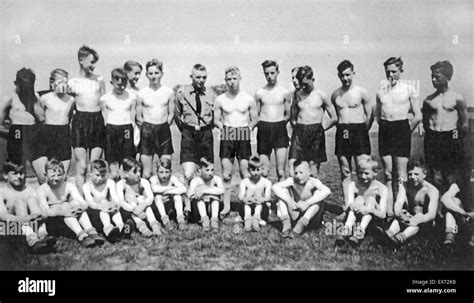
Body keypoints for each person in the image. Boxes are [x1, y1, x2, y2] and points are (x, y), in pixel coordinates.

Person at [376, 57, 422, 217]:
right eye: (388, 72)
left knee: (401, 175)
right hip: (385, 131)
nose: (391, 75)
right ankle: (389, 211)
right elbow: (378, 116)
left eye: (394, 71)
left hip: (401, 129)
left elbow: (417, 116)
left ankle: (402, 209)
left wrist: (405, 133)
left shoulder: (409, 89)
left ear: (401, 71)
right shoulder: (380, 91)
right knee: (388, 174)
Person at [422, 61, 470, 207]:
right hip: (433, 139)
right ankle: (438, 213)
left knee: (451, 176)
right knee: (436, 177)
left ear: (447, 77)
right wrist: (432, 137)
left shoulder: (457, 98)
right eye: (432, 76)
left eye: (437, 76)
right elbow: (425, 123)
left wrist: (454, 140)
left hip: (451, 138)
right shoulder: (428, 100)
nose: (433, 80)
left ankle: (455, 210)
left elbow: (464, 124)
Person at [214, 66, 258, 219]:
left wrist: (246, 130)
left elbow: (255, 119)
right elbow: (216, 120)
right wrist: (225, 129)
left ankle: (247, 205)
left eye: (234, 78)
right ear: (225, 80)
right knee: (226, 174)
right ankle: (226, 207)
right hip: (227, 135)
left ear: (240, 78)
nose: (232, 82)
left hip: (243, 134)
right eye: (229, 79)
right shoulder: (220, 99)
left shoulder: (248, 98)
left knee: (245, 173)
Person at [174, 64, 216, 218]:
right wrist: (187, 130)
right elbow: (177, 116)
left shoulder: (211, 93)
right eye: (198, 77)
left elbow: (214, 116)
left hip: (205, 134)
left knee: (206, 171)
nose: (201, 80)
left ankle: (205, 207)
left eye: (204, 77)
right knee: (188, 172)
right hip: (189, 134)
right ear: (191, 77)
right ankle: (187, 208)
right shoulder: (182, 93)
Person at [36, 159, 105, 247]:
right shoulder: (42, 189)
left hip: (68, 215)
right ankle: (81, 235)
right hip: (52, 220)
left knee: (75, 203)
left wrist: (78, 207)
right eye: (53, 175)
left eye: (59, 175)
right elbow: (45, 212)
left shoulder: (68, 186)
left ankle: (91, 231)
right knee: (66, 206)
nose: (56, 178)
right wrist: (62, 211)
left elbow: (84, 203)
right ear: (46, 175)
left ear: (64, 174)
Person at [68, 45, 106, 191]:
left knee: (95, 164)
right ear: (81, 60)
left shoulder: (99, 79)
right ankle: (82, 199)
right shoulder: (72, 83)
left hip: (97, 120)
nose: (93, 66)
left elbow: (104, 103)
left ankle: (95, 198)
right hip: (80, 122)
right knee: (81, 165)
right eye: (91, 62)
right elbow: (68, 107)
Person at [331, 60, 372, 192]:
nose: (345, 78)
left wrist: (362, 131)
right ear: (338, 75)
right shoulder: (335, 95)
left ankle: (365, 202)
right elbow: (335, 116)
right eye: (342, 75)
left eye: (348, 75)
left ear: (353, 73)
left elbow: (369, 116)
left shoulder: (362, 92)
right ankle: (347, 205)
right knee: (345, 171)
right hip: (343, 131)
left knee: (363, 169)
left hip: (359, 131)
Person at [289, 65, 337, 177]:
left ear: (313, 80)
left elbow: (334, 117)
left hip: (316, 133)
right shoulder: (298, 95)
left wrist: (320, 129)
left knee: (312, 170)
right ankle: (295, 194)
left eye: (306, 84)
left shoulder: (321, 95)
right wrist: (298, 128)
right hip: (299, 133)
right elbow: (293, 118)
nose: (303, 87)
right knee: (293, 167)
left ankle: (314, 194)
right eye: (302, 84)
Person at [377, 158, 438, 246]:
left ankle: (400, 238)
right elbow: (399, 201)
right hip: (409, 217)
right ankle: (388, 234)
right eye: (410, 174)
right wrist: (399, 214)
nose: (413, 177)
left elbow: (431, 214)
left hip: (425, 222)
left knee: (418, 216)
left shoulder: (432, 190)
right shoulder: (405, 185)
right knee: (400, 217)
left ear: (424, 174)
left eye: (416, 174)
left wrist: (417, 220)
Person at [0, 160, 56, 254]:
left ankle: (43, 235)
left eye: (21, 173)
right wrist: (23, 219)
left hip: (31, 223)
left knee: (32, 200)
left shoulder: (29, 190)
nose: (19, 177)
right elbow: (3, 216)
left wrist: (38, 215)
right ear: (5, 175)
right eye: (14, 174)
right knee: (20, 203)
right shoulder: (2, 192)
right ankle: (32, 240)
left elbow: (43, 211)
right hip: (9, 227)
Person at [32, 68, 75, 184]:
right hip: (46, 134)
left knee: (62, 177)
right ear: (52, 83)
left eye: (65, 81)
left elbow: (69, 116)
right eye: (59, 81)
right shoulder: (44, 98)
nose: (62, 84)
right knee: (44, 178)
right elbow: (39, 117)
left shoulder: (71, 100)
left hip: (63, 134)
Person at [335, 156, 388, 247]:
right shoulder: (353, 185)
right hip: (356, 215)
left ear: (375, 173)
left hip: (373, 218)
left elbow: (383, 215)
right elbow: (349, 205)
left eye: (366, 173)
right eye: (360, 173)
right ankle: (347, 229)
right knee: (359, 199)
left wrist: (369, 210)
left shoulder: (382, 188)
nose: (363, 176)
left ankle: (359, 232)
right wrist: (354, 205)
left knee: (370, 199)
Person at [136, 59, 175, 179]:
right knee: (146, 173)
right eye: (150, 73)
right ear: (147, 74)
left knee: (165, 168)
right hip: (147, 130)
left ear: (162, 74)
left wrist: (162, 126)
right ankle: (147, 195)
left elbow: (171, 115)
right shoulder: (142, 93)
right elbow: (138, 117)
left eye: (156, 73)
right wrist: (147, 128)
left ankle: (164, 196)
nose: (153, 76)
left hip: (163, 130)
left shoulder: (168, 92)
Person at [272, 160, 331, 238]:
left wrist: (307, 203)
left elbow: (327, 191)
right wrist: (289, 201)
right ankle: (286, 225)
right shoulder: (292, 180)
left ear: (309, 172)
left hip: (311, 217)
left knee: (318, 196)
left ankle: (300, 226)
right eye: (296, 173)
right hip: (296, 213)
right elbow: (275, 187)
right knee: (283, 194)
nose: (298, 176)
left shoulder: (313, 182)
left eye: (301, 172)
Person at [255, 60, 291, 181]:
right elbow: (256, 115)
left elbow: (288, 114)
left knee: (281, 171)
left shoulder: (284, 92)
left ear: (277, 72)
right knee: (264, 171)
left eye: (272, 73)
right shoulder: (260, 92)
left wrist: (279, 124)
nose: (269, 76)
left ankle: (283, 199)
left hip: (280, 129)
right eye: (266, 73)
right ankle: (265, 199)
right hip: (264, 129)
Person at [0, 68, 43, 169]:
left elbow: (42, 118)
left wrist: (33, 100)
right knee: (18, 171)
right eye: (24, 87)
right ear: (16, 83)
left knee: (42, 173)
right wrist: (11, 133)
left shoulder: (35, 97)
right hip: (16, 136)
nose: (26, 90)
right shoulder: (9, 98)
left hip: (33, 135)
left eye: (29, 87)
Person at [100, 68, 137, 180]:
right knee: (113, 167)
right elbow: (104, 119)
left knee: (126, 164)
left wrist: (135, 135)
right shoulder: (105, 98)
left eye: (123, 84)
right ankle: (113, 191)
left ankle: (125, 191)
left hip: (126, 129)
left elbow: (133, 116)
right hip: (111, 129)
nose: (121, 87)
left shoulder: (131, 96)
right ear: (112, 82)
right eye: (118, 84)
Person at [83, 159, 132, 242]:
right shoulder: (87, 186)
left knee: (116, 212)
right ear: (90, 173)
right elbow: (90, 202)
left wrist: (115, 205)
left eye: (103, 175)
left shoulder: (109, 182)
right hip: (95, 212)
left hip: (108, 206)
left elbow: (115, 197)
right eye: (97, 175)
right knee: (103, 213)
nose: (100, 178)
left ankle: (122, 228)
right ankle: (108, 230)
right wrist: (102, 207)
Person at [116, 157, 162, 237]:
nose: (138, 174)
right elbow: (121, 201)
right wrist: (135, 209)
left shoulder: (143, 182)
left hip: (144, 210)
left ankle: (154, 225)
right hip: (129, 212)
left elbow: (150, 197)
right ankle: (143, 229)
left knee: (142, 200)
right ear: (126, 173)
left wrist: (143, 205)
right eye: (135, 171)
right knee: (132, 201)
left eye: (139, 171)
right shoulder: (121, 184)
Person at [188, 157, 225, 232]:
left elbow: (222, 190)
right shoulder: (196, 180)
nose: (210, 173)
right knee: (199, 197)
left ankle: (214, 220)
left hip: (211, 207)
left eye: (212, 170)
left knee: (215, 197)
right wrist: (199, 193)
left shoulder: (216, 179)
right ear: (200, 171)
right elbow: (190, 194)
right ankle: (204, 220)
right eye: (207, 170)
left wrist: (204, 191)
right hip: (198, 210)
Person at [149, 158, 187, 231]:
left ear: (171, 172)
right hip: (157, 208)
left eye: (167, 172)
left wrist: (165, 191)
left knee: (177, 196)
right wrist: (172, 188)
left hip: (170, 206)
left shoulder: (172, 178)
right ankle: (165, 221)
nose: (164, 175)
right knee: (158, 196)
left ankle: (180, 219)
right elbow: (155, 189)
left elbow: (183, 189)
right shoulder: (154, 179)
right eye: (161, 172)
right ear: (156, 172)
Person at [238, 156, 272, 232]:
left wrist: (261, 199)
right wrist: (245, 199)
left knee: (258, 201)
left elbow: (268, 196)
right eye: (253, 170)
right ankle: (248, 220)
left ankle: (256, 219)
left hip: (260, 205)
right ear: (248, 170)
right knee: (247, 202)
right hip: (248, 203)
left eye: (258, 170)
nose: (256, 173)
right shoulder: (244, 182)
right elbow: (240, 195)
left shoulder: (266, 182)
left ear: (262, 169)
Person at [440, 173, 474, 246]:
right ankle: (451, 235)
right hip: (465, 219)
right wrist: (464, 213)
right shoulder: (461, 184)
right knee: (454, 201)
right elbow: (444, 198)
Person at [124, 60, 143, 151]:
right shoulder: (120, 91)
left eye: (139, 74)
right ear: (127, 72)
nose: (138, 76)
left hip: (136, 129)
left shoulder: (139, 91)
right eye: (136, 73)